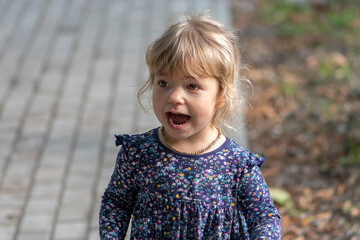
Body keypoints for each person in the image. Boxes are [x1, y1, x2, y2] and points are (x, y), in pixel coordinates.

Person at [99, 13, 281, 240]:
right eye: (164, 83)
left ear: (221, 95)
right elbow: (116, 202)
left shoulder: (237, 165)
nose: (175, 96)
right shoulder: (138, 154)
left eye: (192, 86)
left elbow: (264, 216)